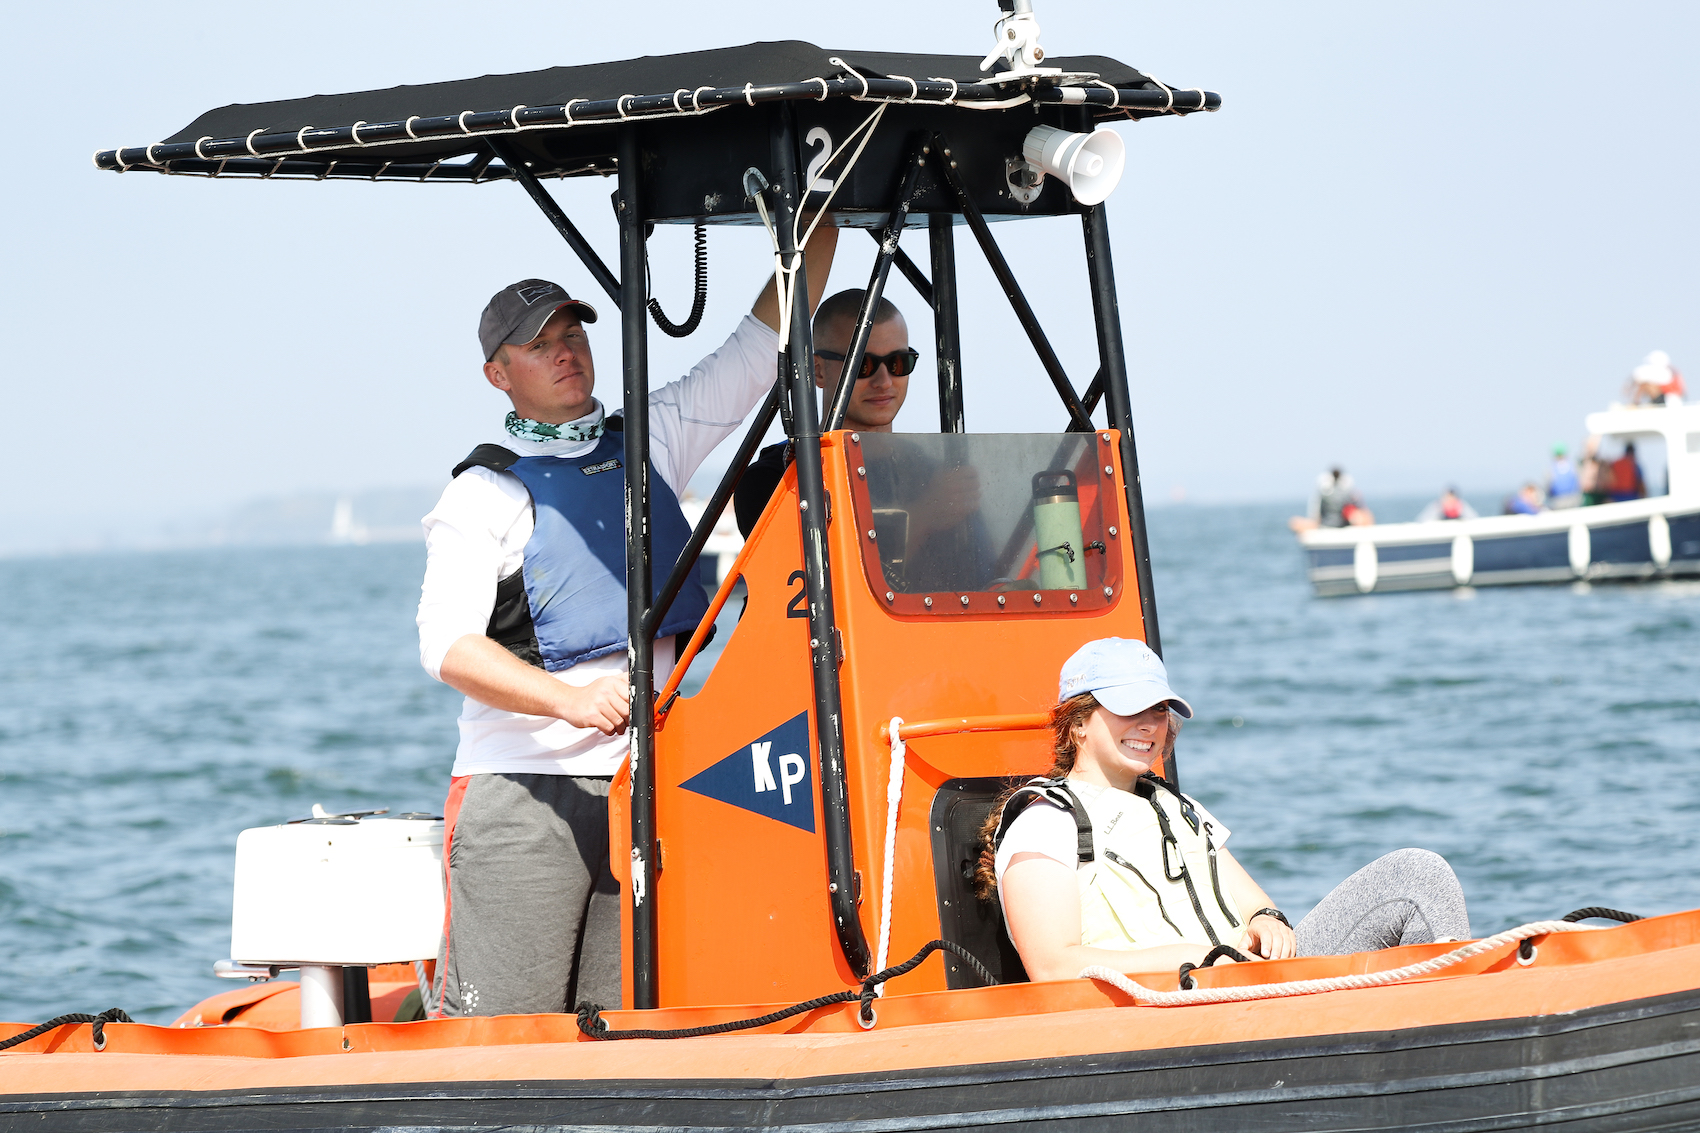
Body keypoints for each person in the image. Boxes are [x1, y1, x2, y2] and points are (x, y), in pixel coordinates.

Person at [417, 225, 839, 1018]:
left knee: (622, 1024)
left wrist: (826, 208)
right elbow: (446, 646)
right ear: (497, 373)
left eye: (573, 333)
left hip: (648, 786)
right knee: (503, 1028)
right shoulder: (481, 496)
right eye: (540, 344)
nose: (565, 351)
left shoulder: (650, 435)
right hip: (524, 792)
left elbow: (760, 344)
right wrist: (570, 701)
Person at [976, 638, 1470, 981]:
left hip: (1250, 983)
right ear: (1078, 723)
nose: (1149, 724)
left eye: (1158, 710)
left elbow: (1257, 903)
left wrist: (1267, 921)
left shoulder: (1178, 807)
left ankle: (1459, 1022)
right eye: (1129, 708)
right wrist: (1196, 958)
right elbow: (1052, 965)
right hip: (1172, 1006)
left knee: (1416, 877)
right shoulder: (1045, 821)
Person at [731, 291, 988, 591]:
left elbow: (984, 579)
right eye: (862, 365)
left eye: (898, 363)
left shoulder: (934, 476)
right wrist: (923, 517)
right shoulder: (775, 480)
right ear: (818, 370)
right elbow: (814, 580)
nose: (884, 381)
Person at [1288, 467, 1373, 533]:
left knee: (1294, 522)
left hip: (1329, 525)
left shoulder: (1325, 493)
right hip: (1337, 525)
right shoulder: (1348, 493)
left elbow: (1316, 516)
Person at [1546, 445, 1581, 509]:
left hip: (1557, 503)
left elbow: (1548, 488)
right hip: (1574, 500)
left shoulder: (1551, 470)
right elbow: (1580, 483)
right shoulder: (1573, 466)